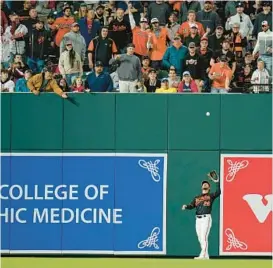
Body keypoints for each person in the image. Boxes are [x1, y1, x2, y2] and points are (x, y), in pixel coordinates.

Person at [181, 171, 221, 260]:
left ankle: (202, 255)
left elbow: (218, 192)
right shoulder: (197, 197)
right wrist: (186, 206)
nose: (205, 184)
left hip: (206, 218)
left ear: (209, 187)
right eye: (203, 184)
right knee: (200, 238)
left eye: (206, 184)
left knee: (203, 237)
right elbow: (192, 206)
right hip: (198, 219)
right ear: (201, 187)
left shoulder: (211, 195)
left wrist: (217, 182)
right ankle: (206, 255)